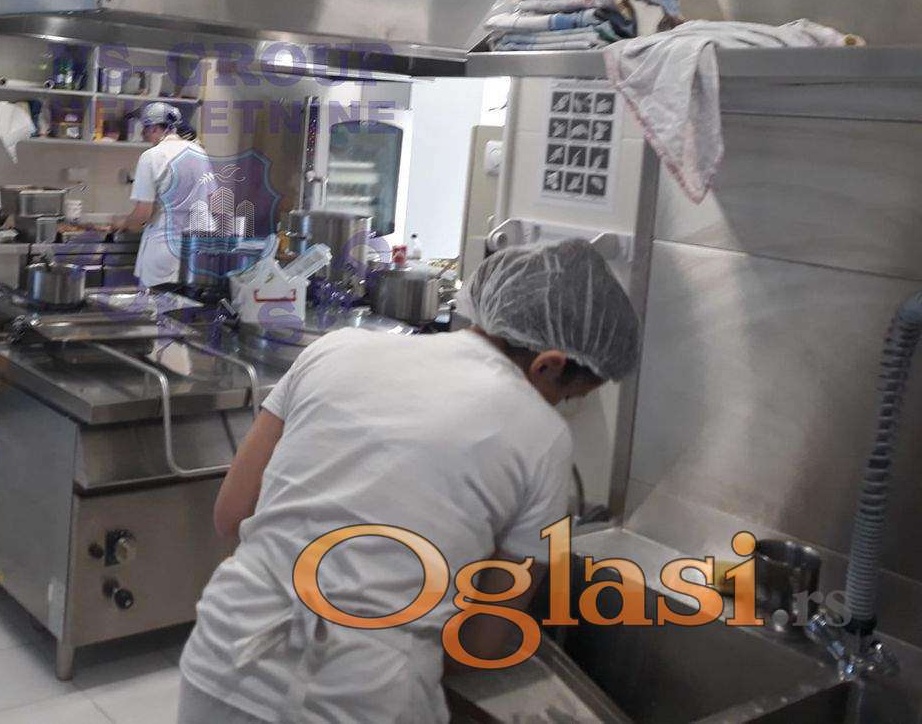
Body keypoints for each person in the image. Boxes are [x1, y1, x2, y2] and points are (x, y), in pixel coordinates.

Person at [176, 238, 641, 724]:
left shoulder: (334, 349)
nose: (562, 409)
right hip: (365, 698)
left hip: (225, 656)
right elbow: (482, 639)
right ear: (549, 364)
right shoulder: (546, 439)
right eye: (568, 397)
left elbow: (231, 514)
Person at [113, 102, 214, 288]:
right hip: (199, 250)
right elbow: (210, 198)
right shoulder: (200, 153)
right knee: (192, 303)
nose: (144, 135)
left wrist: (123, 224)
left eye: (145, 130)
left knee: (158, 304)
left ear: (153, 128)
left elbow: (143, 213)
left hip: (165, 249)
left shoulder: (152, 156)